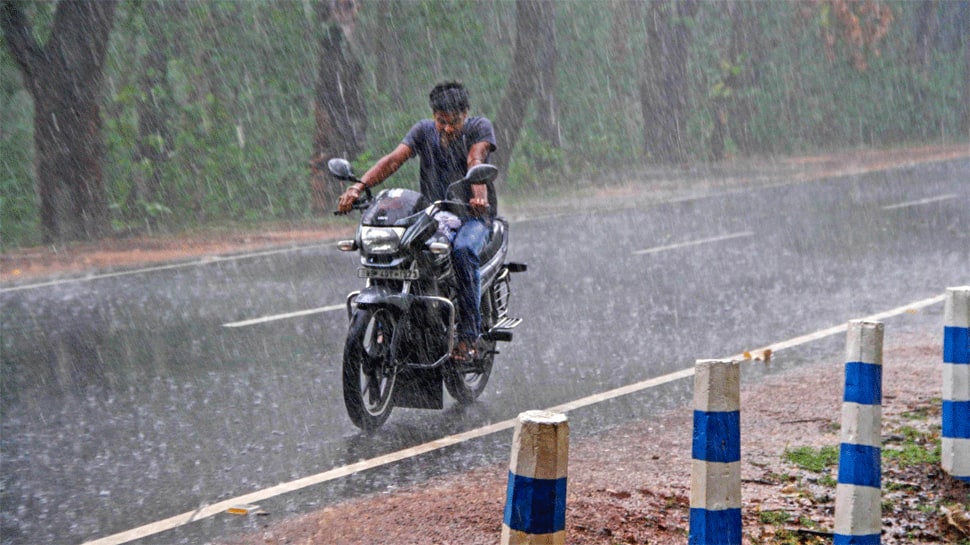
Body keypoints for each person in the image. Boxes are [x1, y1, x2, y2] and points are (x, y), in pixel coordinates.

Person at [337, 81, 497, 363]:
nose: (448, 128)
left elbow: (476, 159)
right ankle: (391, 321)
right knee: (397, 248)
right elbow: (393, 160)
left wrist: (479, 196)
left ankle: (469, 337)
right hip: (434, 214)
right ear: (433, 115)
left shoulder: (478, 127)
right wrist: (358, 187)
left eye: (454, 121)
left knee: (463, 251)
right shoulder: (423, 131)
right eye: (441, 121)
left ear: (466, 113)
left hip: (473, 216)